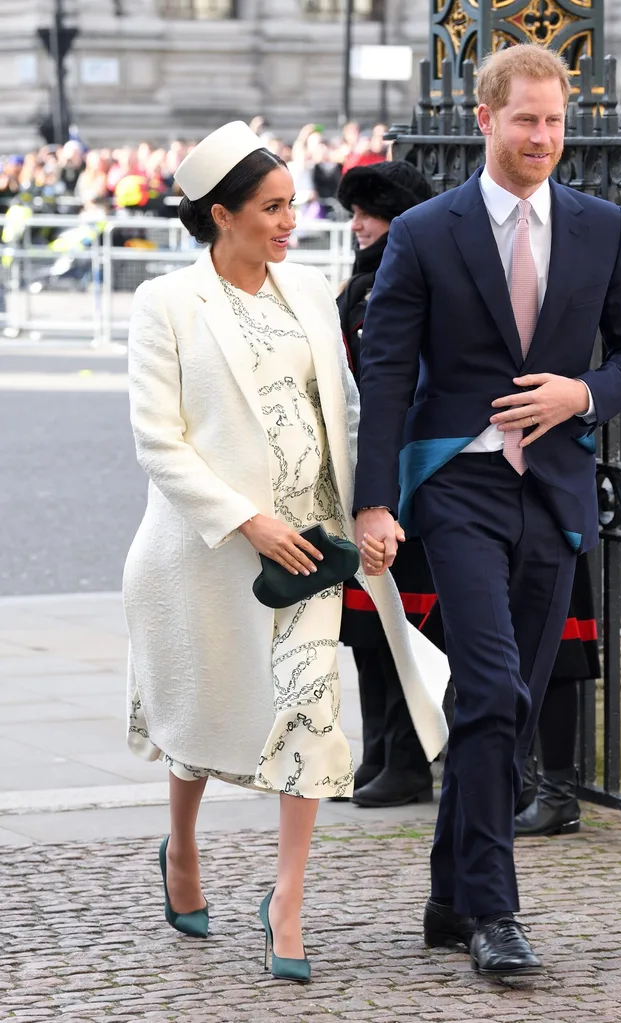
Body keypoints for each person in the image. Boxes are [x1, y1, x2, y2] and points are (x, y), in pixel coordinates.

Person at [352, 42, 621, 978]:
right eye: (526, 119)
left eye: (556, 121)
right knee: (490, 687)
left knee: (509, 704)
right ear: (484, 120)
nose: (543, 137)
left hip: (557, 483)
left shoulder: (604, 226)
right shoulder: (426, 232)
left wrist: (583, 394)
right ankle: (495, 911)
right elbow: (386, 372)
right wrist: (374, 499)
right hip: (458, 484)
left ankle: (449, 892)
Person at [123, 121, 448, 983]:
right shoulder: (167, 303)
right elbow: (159, 442)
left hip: (312, 549)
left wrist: (367, 511)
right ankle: (183, 847)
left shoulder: (307, 291)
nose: (289, 222)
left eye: (290, 206)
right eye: (271, 209)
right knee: (200, 723)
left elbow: (344, 406)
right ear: (221, 215)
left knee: (310, 712)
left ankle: (287, 900)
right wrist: (245, 520)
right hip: (206, 550)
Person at [336, 160, 440, 808]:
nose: (358, 225)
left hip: (406, 474)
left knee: (403, 625)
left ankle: (408, 759)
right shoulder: (357, 286)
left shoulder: (411, 280)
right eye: (354, 213)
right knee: (365, 630)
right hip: (364, 469)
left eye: (370, 213)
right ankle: (378, 752)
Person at [514, 551, 601, 836]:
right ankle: (520, 785)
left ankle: (558, 796)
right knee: (510, 651)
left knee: (555, 652)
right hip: (505, 528)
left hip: (552, 527)